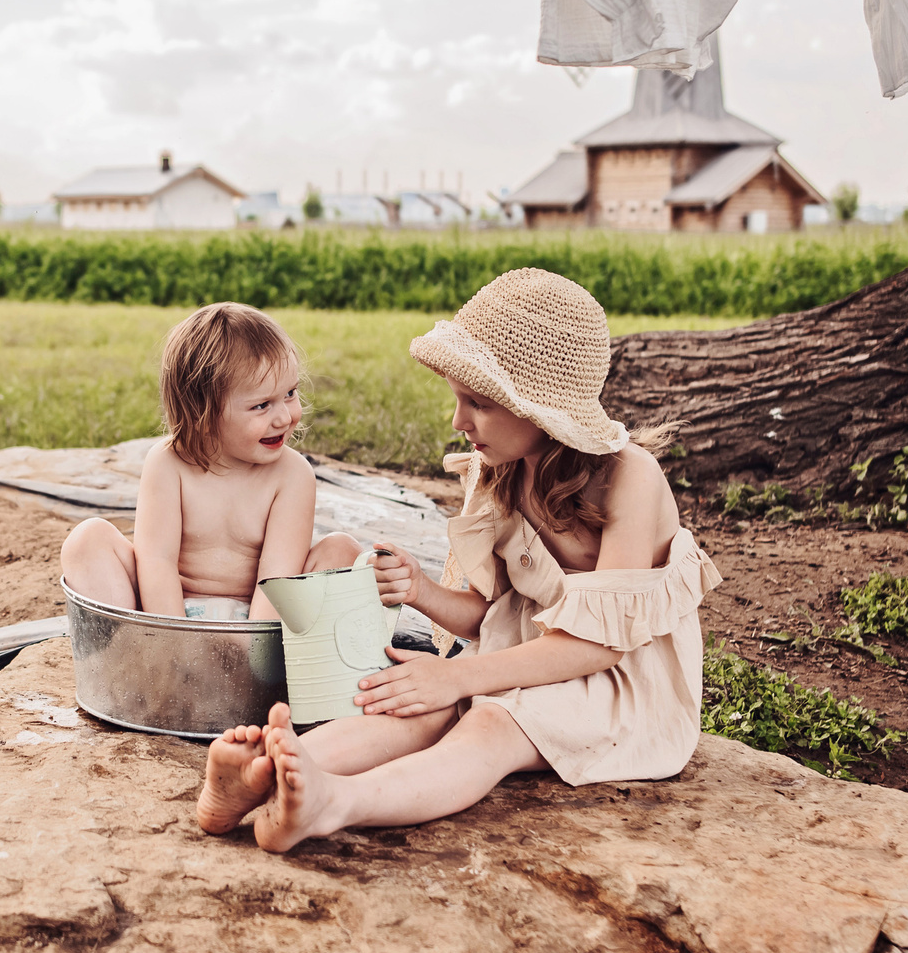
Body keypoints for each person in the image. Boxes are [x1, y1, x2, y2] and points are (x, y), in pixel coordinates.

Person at [198, 267, 722, 851]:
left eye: (476, 403)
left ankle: (332, 804)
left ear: (540, 410)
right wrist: (420, 589)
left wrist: (456, 676)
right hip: (519, 658)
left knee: (489, 724)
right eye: (458, 400)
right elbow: (491, 616)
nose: (458, 422)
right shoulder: (497, 468)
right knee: (417, 710)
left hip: (616, 681)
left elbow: (600, 645)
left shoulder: (629, 478)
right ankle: (262, 775)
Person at [61, 301, 361, 632]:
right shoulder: (168, 464)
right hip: (164, 615)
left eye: (290, 393)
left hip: (259, 621)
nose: (285, 416)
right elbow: (156, 563)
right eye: (261, 405)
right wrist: (175, 643)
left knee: (342, 551)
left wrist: (250, 655)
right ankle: (126, 652)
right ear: (203, 413)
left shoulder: (292, 474)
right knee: (86, 539)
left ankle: (285, 670)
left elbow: (279, 577)